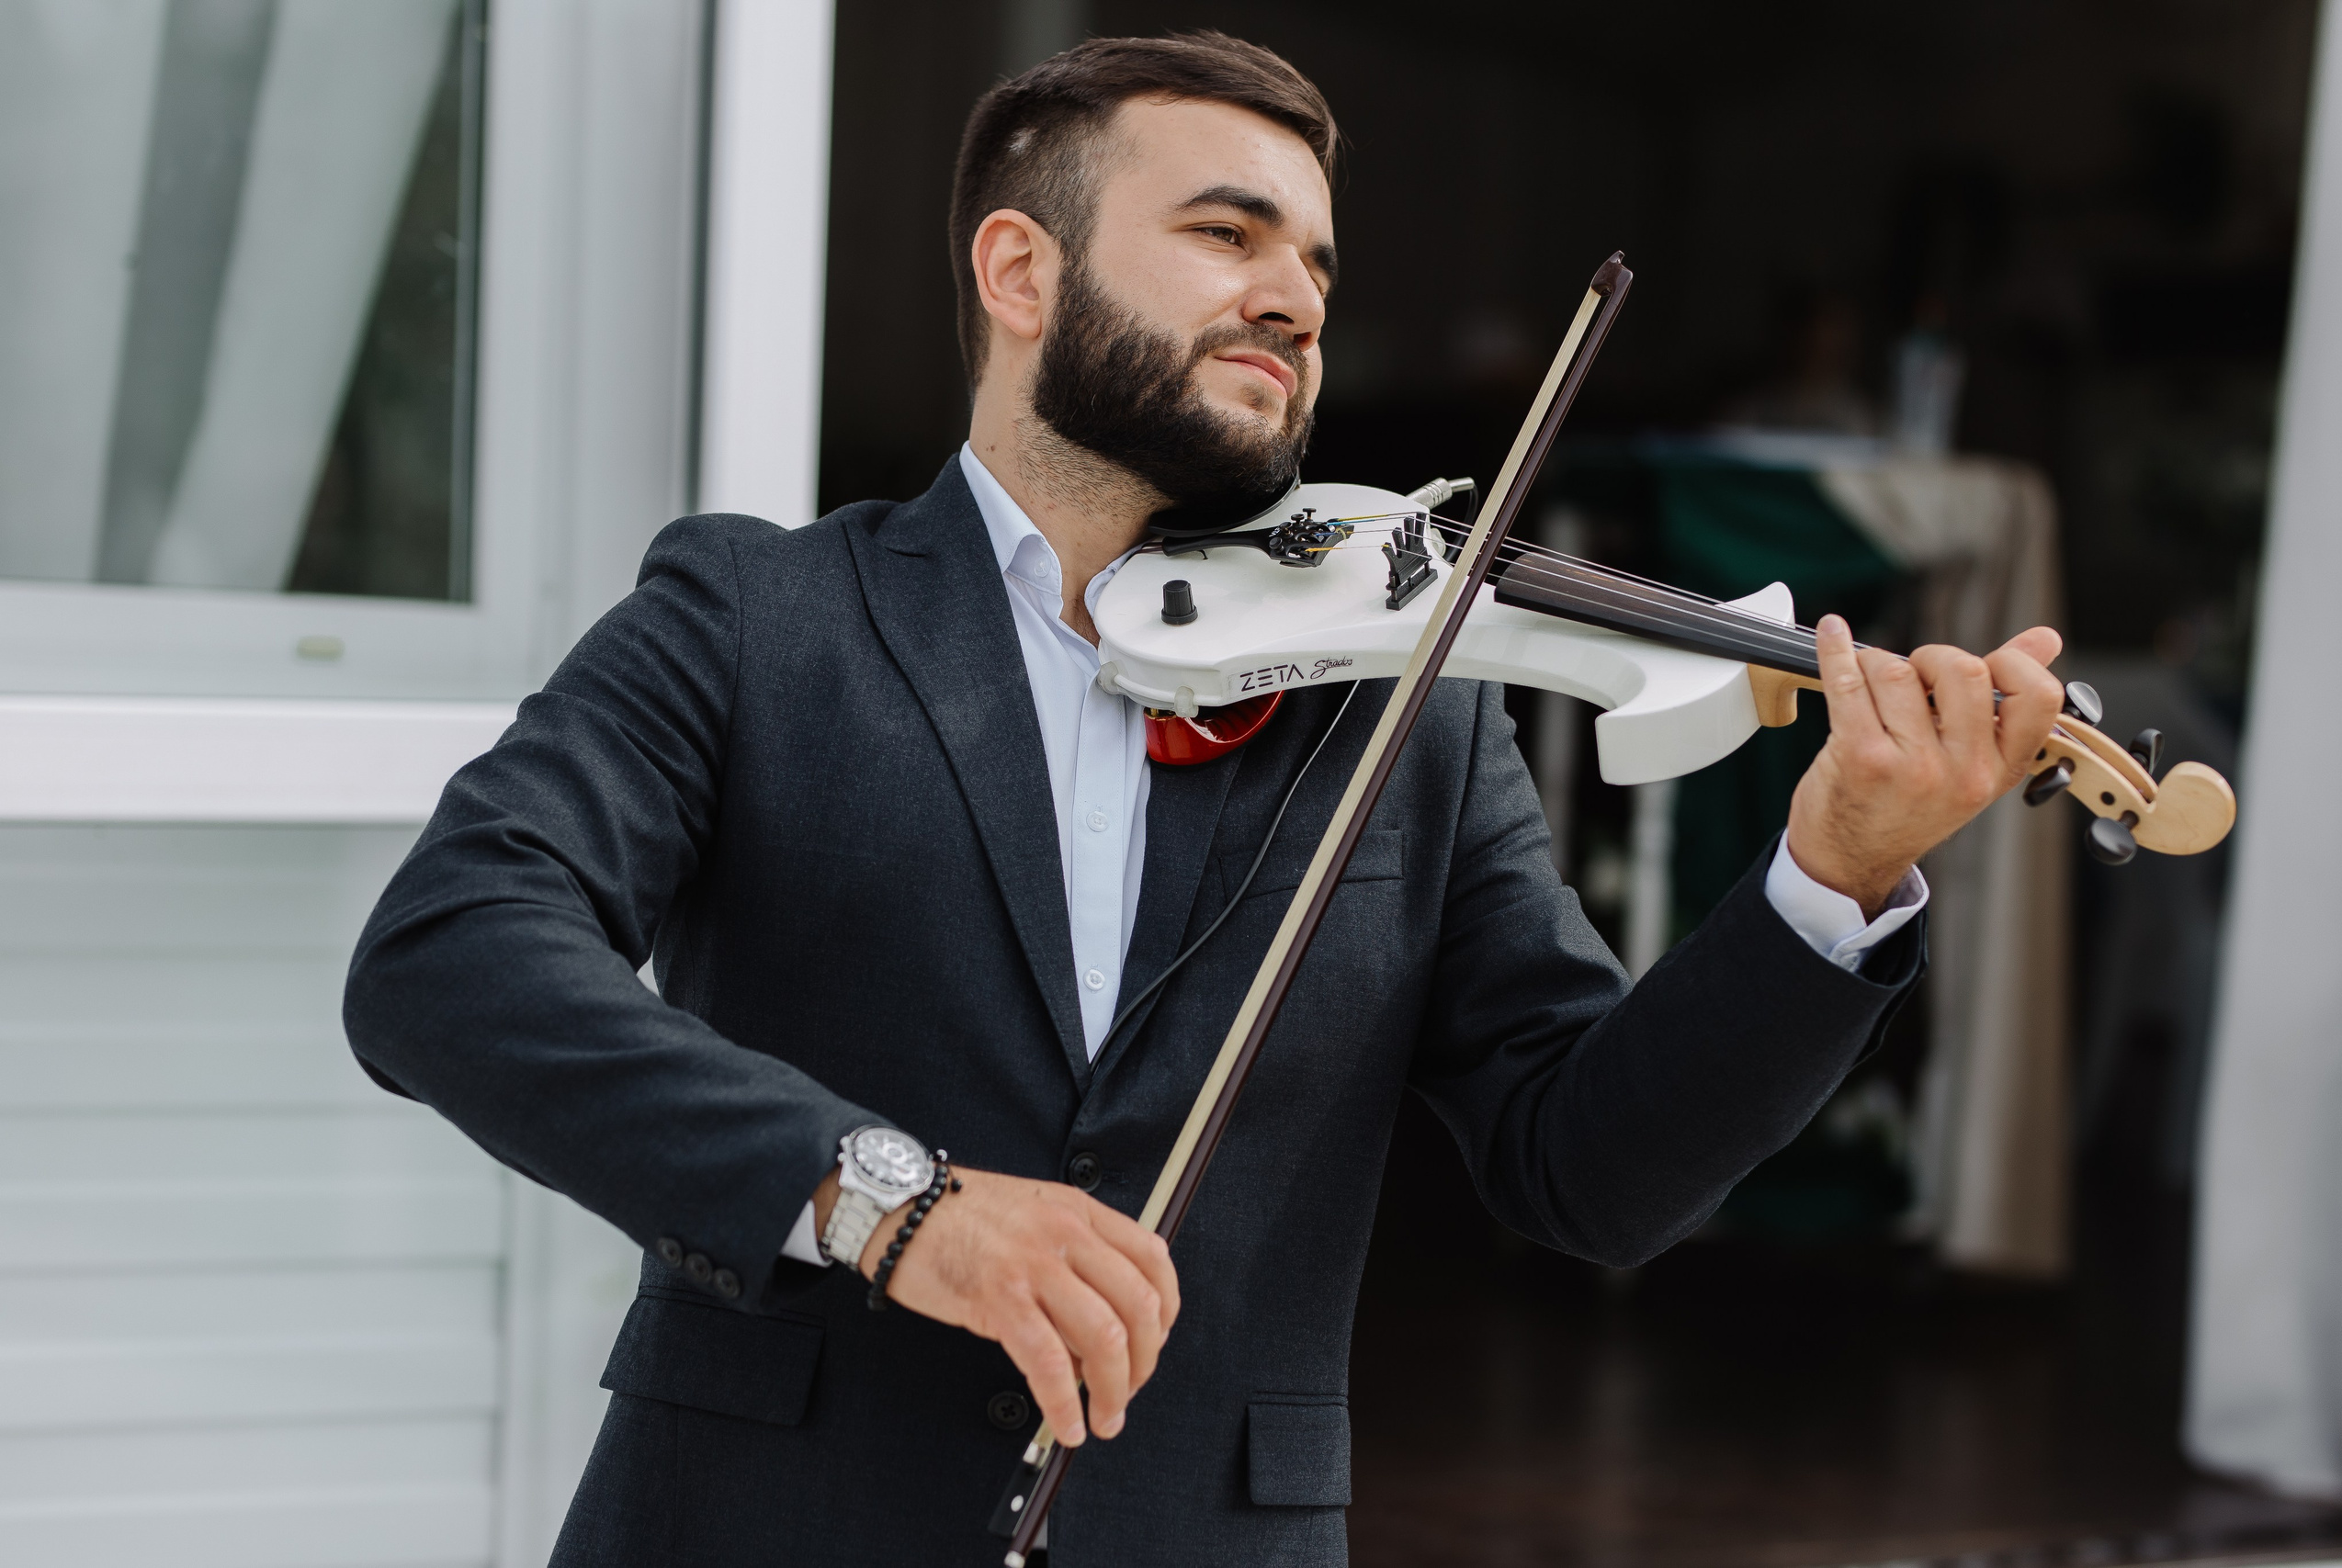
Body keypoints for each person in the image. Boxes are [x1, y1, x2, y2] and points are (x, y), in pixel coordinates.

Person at [343, 32, 2065, 1568]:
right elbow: (450, 957)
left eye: (1315, 259)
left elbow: (1589, 1171)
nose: (1297, 298)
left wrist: (1830, 875)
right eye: (1227, 234)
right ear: (1021, 270)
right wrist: (890, 1204)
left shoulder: (1407, 701)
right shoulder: (756, 618)